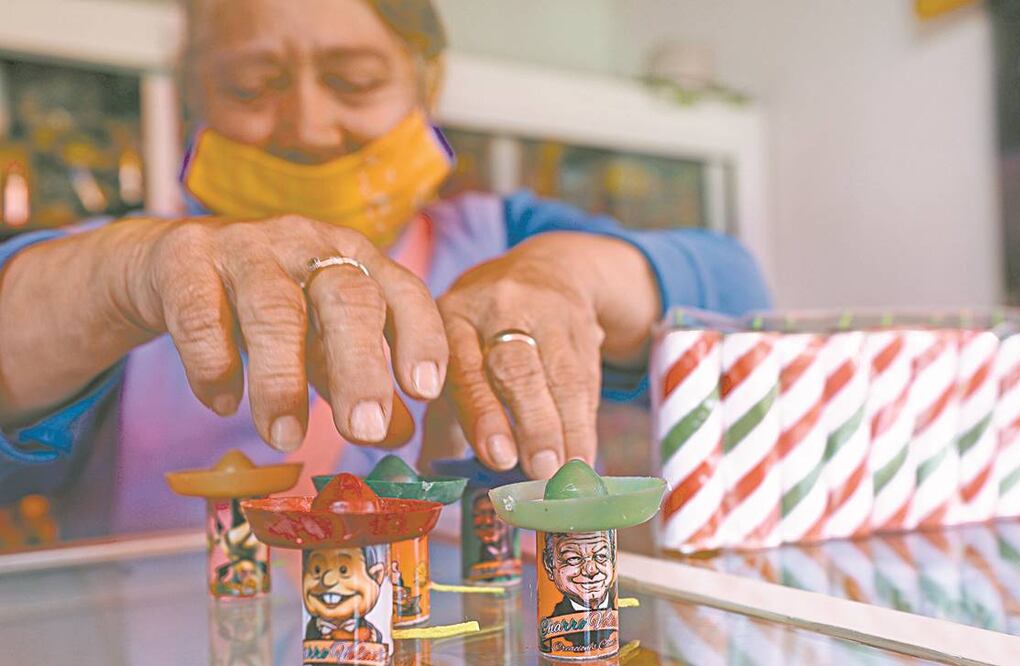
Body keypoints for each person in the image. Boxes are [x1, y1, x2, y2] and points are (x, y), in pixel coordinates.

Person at [0, 0, 769, 537]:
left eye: (355, 80)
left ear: (425, 84)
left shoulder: (509, 234)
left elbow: (737, 294)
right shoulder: (124, 269)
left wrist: (567, 279)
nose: (308, 126)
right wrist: (121, 279)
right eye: (251, 86)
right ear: (196, 91)